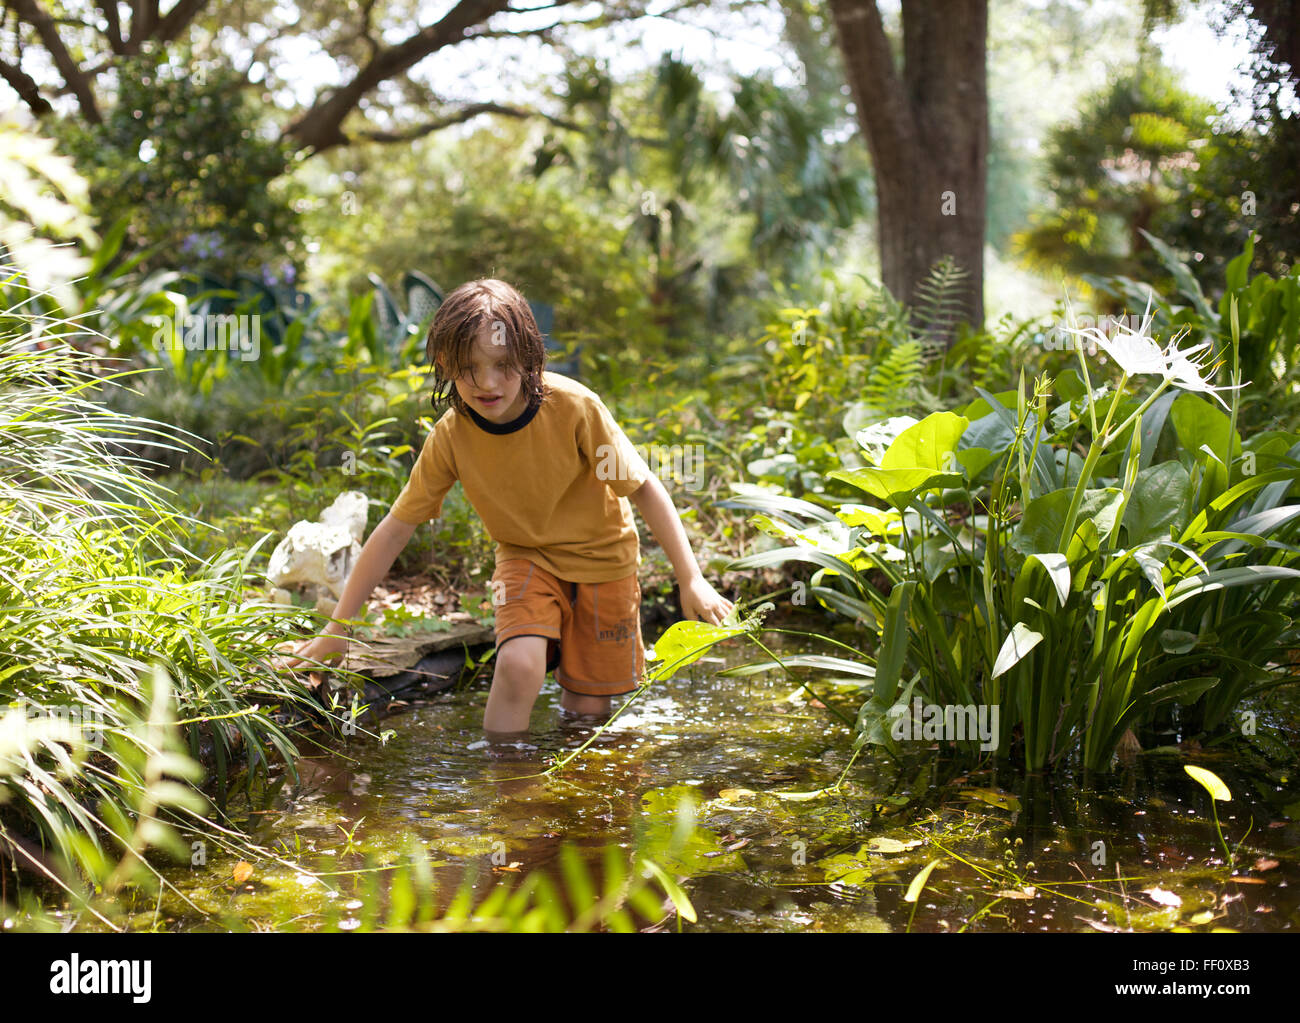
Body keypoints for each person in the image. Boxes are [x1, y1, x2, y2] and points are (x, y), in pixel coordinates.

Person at [281, 278, 733, 735]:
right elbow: (396, 529)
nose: (487, 382)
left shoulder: (575, 409)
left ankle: (568, 777)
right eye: (469, 367)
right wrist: (337, 628)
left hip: (605, 562)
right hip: (524, 558)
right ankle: (505, 777)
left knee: (585, 710)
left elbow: (644, 489)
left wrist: (691, 578)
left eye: (503, 364)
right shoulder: (452, 436)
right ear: (445, 364)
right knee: (518, 664)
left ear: (530, 358)